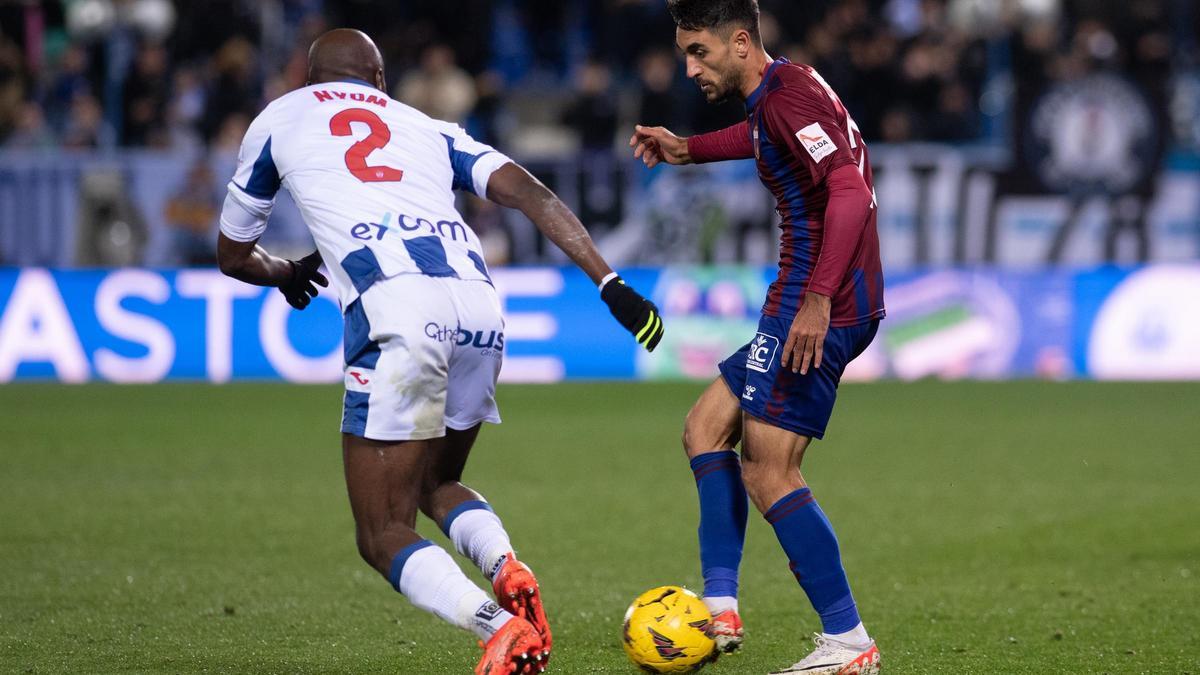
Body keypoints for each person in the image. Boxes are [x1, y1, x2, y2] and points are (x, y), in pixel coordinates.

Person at [216, 29, 664, 674]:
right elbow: (530, 193)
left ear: (312, 80)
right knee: (436, 481)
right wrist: (610, 281)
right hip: (479, 308)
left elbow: (233, 255)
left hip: (397, 310)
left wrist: (286, 273)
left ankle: (498, 626)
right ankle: (506, 568)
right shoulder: (428, 126)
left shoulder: (280, 116)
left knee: (382, 532)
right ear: (380, 84)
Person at [629, 1, 884, 673]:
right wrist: (689, 150)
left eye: (699, 53)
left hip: (818, 305)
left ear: (740, 42)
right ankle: (719, 610)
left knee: (770, 468)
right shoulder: (782, 92)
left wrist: (820, 300)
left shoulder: (788, 99)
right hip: (803, 302)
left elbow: (852, 191)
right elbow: (766, 139)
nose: (689, 68)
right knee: (705, 427)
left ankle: (848, 641)